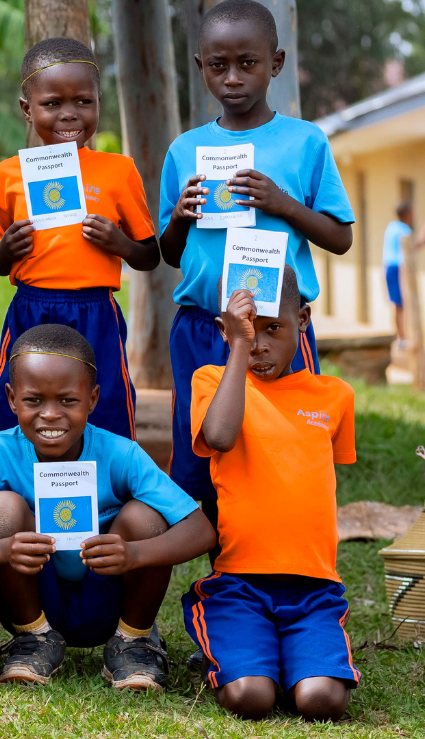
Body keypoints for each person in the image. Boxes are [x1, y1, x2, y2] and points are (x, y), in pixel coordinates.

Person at [159, 0, 354, 504]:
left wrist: (281, 203)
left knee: (280, 449)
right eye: (218, 66)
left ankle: (276, 560)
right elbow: (171, 253)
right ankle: (221, 573)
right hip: (204, 324)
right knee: (203, 451)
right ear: (201, 68)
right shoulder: (184, 150)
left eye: (248, 63)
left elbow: (340, 236)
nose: (233, 78)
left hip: (275, 327)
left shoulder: (305, 142)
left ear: (276, 63)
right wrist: (179, 216)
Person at [0, 324, 215, 690]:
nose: (51, 415)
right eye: (33, 400)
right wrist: (3, 549)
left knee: (145, 516)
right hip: (33, 598)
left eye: (68, 400)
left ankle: (133, 643)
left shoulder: (120, 453)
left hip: (108, 599)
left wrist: (134, 554)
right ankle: (34, 641)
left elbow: (200, 529)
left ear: (92, 399)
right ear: (11, 399)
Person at [185, 270, 360, 721]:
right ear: (225, 330)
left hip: (313, 589)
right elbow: (220, 437)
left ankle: (290, 656)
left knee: (322, 702)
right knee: (251, 698)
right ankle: (247, 655)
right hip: (240, 585)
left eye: (272, 329)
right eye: (246, 330)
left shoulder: (334, 396)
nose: (259, 343)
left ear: (302, 320)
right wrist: (238, 349)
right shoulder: (212, 381)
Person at [0, 38, 159, 439]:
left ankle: (109, 493)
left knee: (106, 401)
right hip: (32, 308)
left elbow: (149, 255)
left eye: (83, 101)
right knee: (20, 405)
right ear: (27, 110)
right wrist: (7, 250)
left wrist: (120, 244)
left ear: (99, 101)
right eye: (52, 104)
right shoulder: (7, 176)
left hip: (96, 310)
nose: (69, 114)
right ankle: (15, 493)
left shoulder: (119, 171)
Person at [383, 202, 414, 343]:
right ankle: (401, 336)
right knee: (401, 304)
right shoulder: (404, 230)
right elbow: (411, 247)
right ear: (407, 214)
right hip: (398, 269)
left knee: (397, 303)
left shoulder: (391, 227)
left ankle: (400, 336)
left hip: (389, 267)